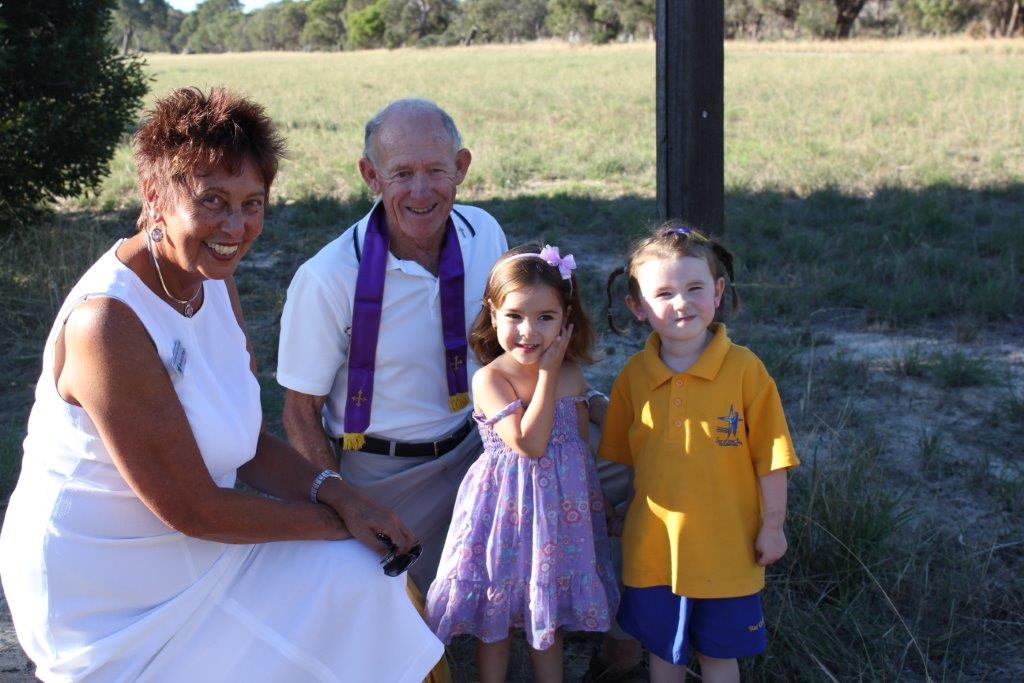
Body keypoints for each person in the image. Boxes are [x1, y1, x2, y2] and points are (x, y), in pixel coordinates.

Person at [0, 87, 442, 682]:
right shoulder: (107, 324)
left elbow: (247, 443)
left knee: (359, 581)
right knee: (347, 562)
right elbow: (195, 509)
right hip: (103, 592)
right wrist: (342, 524)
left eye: (252, 203)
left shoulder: (212, 278)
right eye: (212, 201)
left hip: (195, 551)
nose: (235, 227)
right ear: (155, 197)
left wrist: (342, 495)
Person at [276, 98, 510, 590]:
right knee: (377, 613)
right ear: (370, 175)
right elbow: (299, 413)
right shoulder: (328, 277)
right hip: (385, 472)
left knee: (603, 475)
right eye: (401, 173)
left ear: (462, 167)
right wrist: (345, 503)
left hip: (476, 443)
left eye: (436, 170)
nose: (421, 191)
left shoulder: (484, 233)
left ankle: (618, 652)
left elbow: (506, 344)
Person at [598, 224, 800, 683]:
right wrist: (616, 508)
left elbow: (773, 456)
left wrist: (773, 526)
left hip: (727, 552)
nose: (681, 303)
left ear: (718, 291)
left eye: (694, 288)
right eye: (663, 293)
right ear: (638, 307)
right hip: (653, 553)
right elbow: (624, 461)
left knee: (717, 658)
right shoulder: (633, 376)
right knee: (663, 654)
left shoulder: (746, 370)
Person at [426, 245, 620, 683]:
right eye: (514, 315)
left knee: (545, 621)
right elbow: (530, 445)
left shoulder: (573, 374)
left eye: (545, 317)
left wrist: (601, 505)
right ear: (492, 315)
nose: (528, 332)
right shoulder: (492, 378)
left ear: (566, 321)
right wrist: (548, 377)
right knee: (495, 618)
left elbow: (581, 449)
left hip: (559, 521)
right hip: (505, 516)